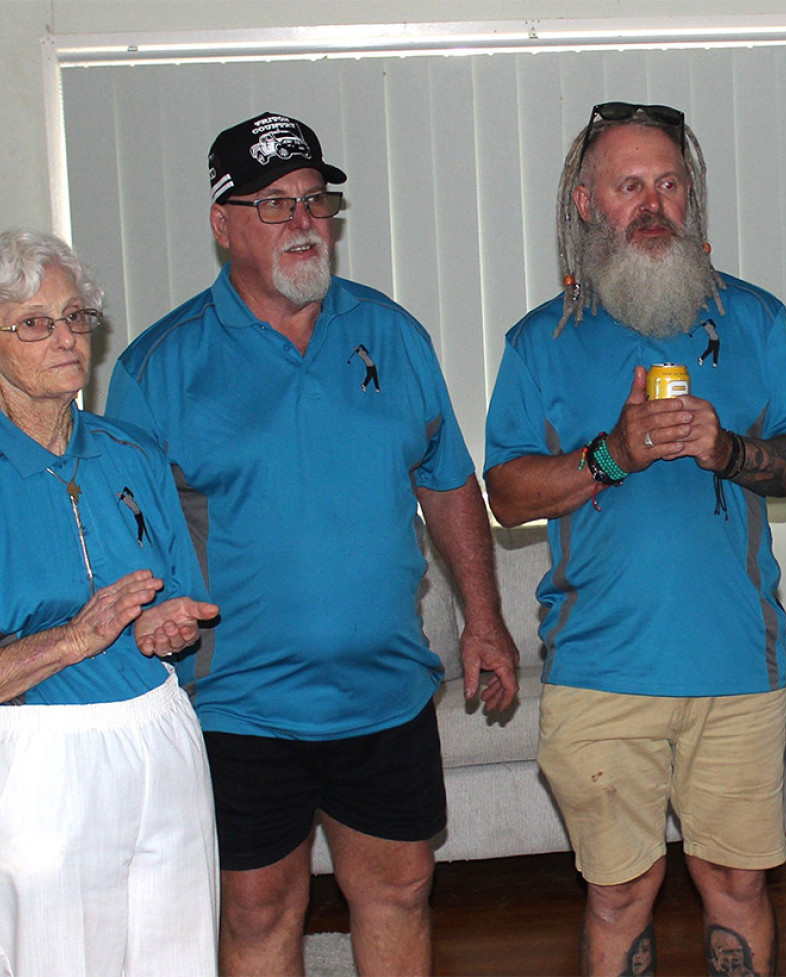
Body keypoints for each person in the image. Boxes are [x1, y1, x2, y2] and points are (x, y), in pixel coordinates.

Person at [105, 112, 520, 976]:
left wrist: (485, 616)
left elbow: (446, 482)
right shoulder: (158, 366)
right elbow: (124, 537)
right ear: (223, 226)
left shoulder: (393, 335)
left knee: (400, 889)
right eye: (274, 204)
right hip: (238, 703)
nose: (303, 219)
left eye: (315, 199)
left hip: (384, 690)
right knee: (258, 912)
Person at [483, 101, 786, 977]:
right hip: (599, 668)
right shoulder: (539, 342)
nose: (652, 203)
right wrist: (612, 453)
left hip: (738, 663)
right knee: (616, 894)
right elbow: (505, 493)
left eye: (669, 183)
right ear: (585, 202)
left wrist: (728, 450)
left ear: (692, 197)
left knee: (737, 885)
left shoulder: (755, 319)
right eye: (628, 184)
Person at [0, 229, 219, 975]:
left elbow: (176, 594)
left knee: (178, 953)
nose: (64, 338)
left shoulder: (131, 453)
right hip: (43, 757)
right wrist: (72, 639)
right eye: (33, 322)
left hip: (159, 733)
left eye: (75, 318)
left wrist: (164, 627)